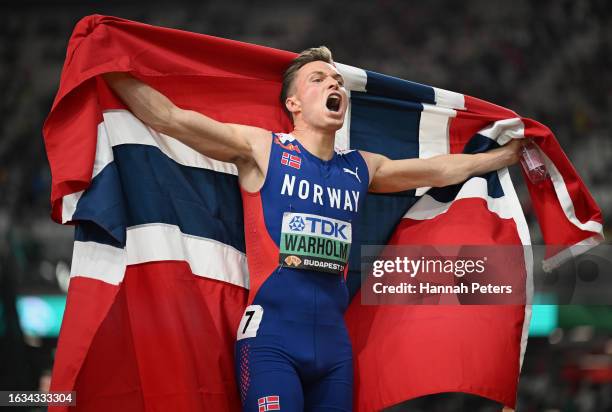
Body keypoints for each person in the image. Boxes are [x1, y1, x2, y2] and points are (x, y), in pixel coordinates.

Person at [103, 46, 523, 412]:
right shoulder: (262, 150)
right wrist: (105, 67)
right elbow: (172, 119)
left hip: (334, 350)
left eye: (337, 80)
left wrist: (502, 157)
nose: (332, 84)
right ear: (293, 103)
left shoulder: (360, 167)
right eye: (318, 78)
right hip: (271, 341)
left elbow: (438, 169)